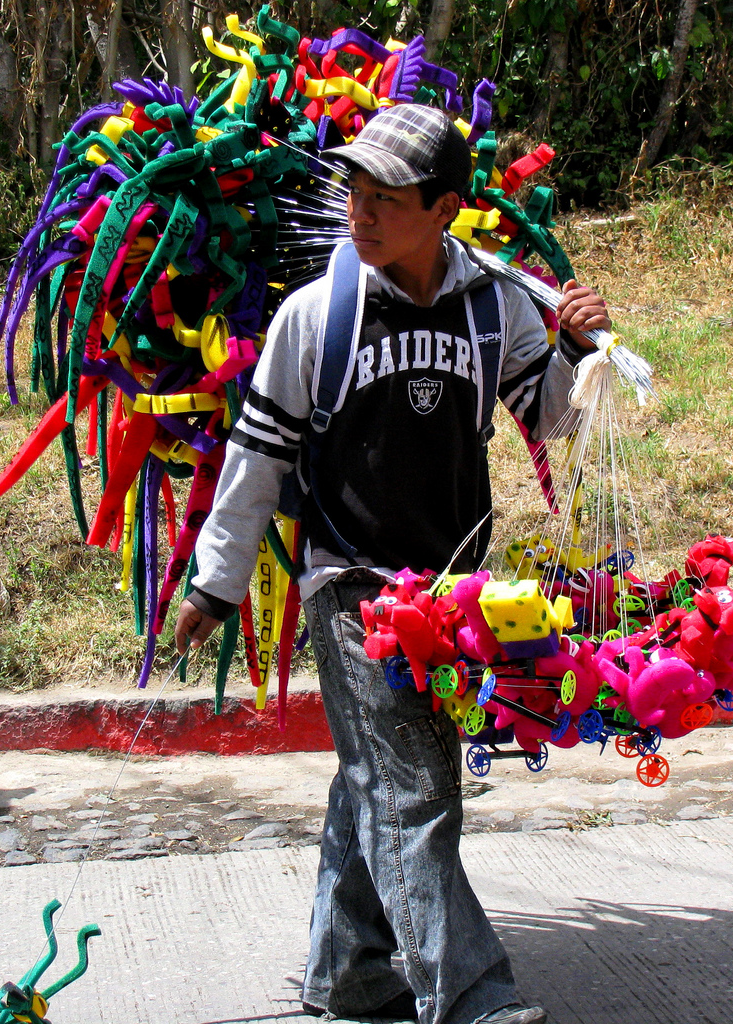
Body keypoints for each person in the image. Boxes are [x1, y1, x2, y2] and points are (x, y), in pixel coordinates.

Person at [175, 104, 611, 1024]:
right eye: (354, 194)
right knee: (415, 792)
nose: (359, 215)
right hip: (350, 584)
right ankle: (472, 999)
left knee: (375, 779)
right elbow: (256, 465)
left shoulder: (496, 309)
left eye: (385, 199)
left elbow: (554, 419)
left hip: (452, 591)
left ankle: (351, 974)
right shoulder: (313, 317)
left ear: (445, 207)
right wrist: (215, 582)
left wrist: (575, 347)